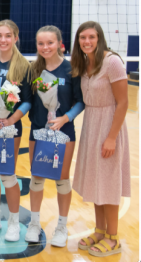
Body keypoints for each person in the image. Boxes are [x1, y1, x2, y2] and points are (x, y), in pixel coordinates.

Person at [71, 21, 130, 258]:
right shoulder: (85, 63)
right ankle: (100, 230)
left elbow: (124, 102)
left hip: (108, 126)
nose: (87, 41)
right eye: (82, 38)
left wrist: (112, 137)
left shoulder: (112, 61)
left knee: (108, 182)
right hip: (91, 126)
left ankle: (113, 238)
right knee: (97, 181)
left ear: (99, 38)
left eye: (91, 37)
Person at [25, 25, 84, 247]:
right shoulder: (33, 70)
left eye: (50, 43)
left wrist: (65, 118)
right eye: (41, 43)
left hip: (63, 131)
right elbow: (28, 100)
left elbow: (80, 101)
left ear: (60, 43)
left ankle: (61, 226)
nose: (45, 47)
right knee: (37, 177)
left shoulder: (72, 69)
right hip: (38, 130)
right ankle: (34, 223)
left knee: (61, 178)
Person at [0, 19, 32, 242]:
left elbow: (28, 102)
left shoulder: (24, 65)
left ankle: (12, 222)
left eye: (8, 35)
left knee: (8, 175)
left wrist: (11, 120)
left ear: (15, 38)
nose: (3, 40)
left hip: (10, 126)